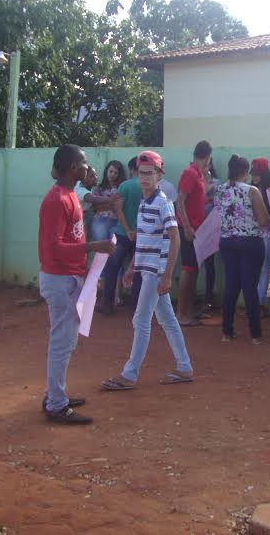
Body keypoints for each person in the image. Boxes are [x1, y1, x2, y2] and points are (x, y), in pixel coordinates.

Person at [101, 151, 194, 390]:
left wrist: (166, 275)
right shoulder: (146, 201)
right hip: (149, 270)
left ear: (159, 175)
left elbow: (175, 240)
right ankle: (184, 366)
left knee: (141, 319)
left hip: (156, 272)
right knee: (166, 318)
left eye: (149, 174)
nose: (144, 178)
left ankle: (130, 374)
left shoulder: (162, 203)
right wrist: (133, 267)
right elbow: (144, 241)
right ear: (136, 173)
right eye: (141, 173)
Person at [38, 145, 117, 425]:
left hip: (69, 277)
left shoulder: (70, 195)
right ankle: (56, 404)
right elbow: (54, 247)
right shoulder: (56, 200)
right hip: (59, 279)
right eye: (84, 163)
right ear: (73, 168)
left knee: (65, 340)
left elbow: (69, 240)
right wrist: (95, 247)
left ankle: (54, 395)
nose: (88, 168)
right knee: (62, 341)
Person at [216, 155, 270, 343]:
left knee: (231, 287)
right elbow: (263, 221)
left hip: (227, 242)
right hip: (250, 242)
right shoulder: (252, 190)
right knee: (249, 288)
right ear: (246, 172)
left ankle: (227, 333)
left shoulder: (220, 189)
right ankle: (255, 335)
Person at [99, 157, 142, 315]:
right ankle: (136, 308)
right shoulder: (148, 187)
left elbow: (118, 209)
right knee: (137, 271)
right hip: (140, 236)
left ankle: (107, 304)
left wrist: (127, 229)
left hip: (122, 234)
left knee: (112, 269)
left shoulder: (125, 185)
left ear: (131, 170)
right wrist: (135, 231)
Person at [177, 140, 213, 327]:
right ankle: (181, 314)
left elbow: (198, 200)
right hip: (188, 229)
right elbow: (180, 200)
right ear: (208, 157)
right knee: (188, 269)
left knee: (194, 269)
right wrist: (187, 226)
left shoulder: (198, 174)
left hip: (196, 229)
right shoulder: (190, 173)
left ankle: (188, 310)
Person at [251, 157, 270, 314]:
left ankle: (259, 304)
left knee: (262, 267)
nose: (255, 177)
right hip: (255, 233)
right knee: (259, 267)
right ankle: (257, 303)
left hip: (267, 232)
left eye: (258, 174)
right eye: (253, 173)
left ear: (264, 174)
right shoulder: (250, 189)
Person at [201, 160, 221, 315]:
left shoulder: (216, 182)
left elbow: (217, 202)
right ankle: (193, 296)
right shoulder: (194, 178)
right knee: (193, 263)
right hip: (195, 225)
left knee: (209, 262)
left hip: (210, 226)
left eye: (207, 164)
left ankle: (208, 297)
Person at [91, 160, 126, 241]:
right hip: (100, 221)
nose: (112, 174)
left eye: (116, 173)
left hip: (117, 221)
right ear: (106, 171)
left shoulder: (122, 188)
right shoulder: (99, 188)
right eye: (111, 171)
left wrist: (104, 203)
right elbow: (96, 207)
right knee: (100, 248)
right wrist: (112, 202)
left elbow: (120, 206)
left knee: (114, 250)